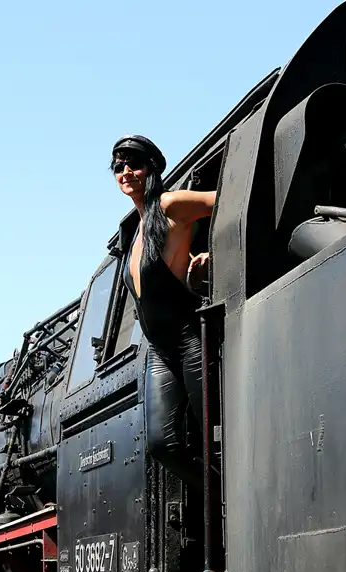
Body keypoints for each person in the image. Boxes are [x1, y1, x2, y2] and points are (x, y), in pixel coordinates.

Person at [111, 134, 217, 496]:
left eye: (134, 164)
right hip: (160, 351)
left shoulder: (171, 205)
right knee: (161, 444)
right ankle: (221, 494)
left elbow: (231, 199)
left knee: (216, 432)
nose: (126, 172)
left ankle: (236, 500)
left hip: (189, 341)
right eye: (119, 166)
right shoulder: (137, 232)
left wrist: (214, 254)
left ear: (152, 169)